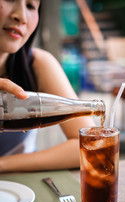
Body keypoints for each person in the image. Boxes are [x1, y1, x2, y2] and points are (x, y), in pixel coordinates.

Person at [0, 0, 94, 172]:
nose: (21, 16)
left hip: (23, 186)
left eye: (31, 6)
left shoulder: (37, 64)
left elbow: (89, 146)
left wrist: (2, 164)